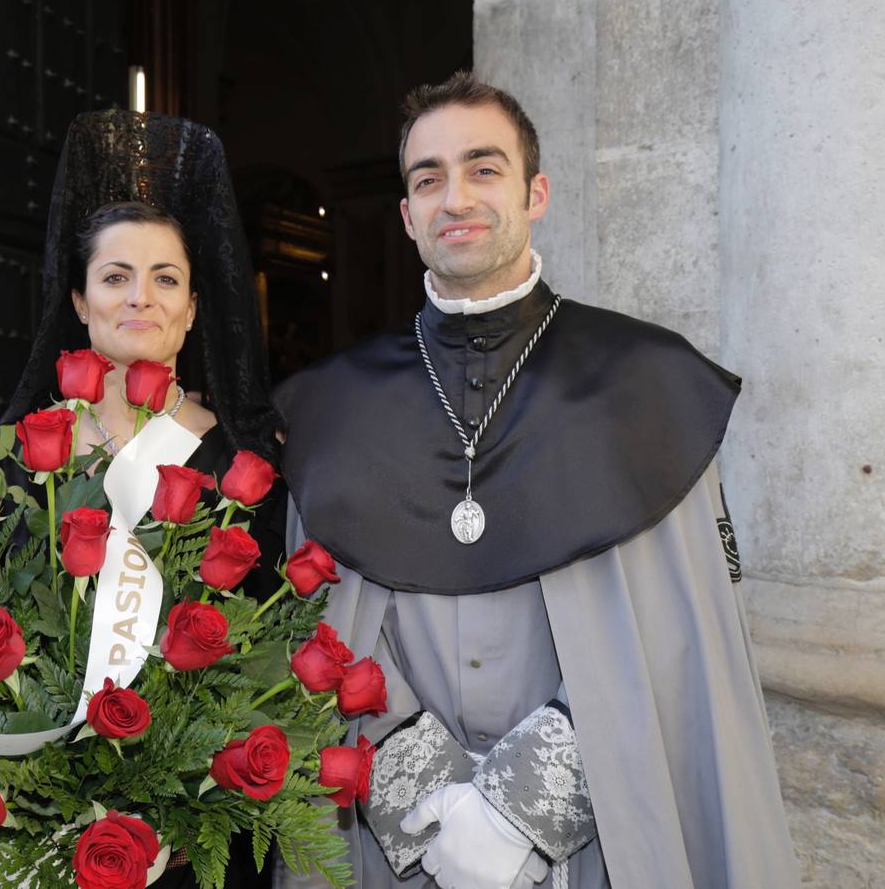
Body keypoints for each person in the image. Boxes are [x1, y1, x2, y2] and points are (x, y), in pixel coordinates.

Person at [275, 72, 799, 888]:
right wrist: (433, 809)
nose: (456, 198)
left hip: (600, 836)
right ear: (407, 215)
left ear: (536, 193)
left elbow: (672, 634)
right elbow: (321, 632)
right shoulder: (333, 408)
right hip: (397, 841)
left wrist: (513, 814)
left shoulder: (648, 388)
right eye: (428, 179)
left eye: (484, 169)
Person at [0, 110, 282, 889]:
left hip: (178, 838)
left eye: (165, 279)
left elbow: (259, 670)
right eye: (115, 277)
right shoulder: (2, 466)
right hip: (20, 829)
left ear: (193, 307)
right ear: (78, 301)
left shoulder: (246, 477)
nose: (142, 298)